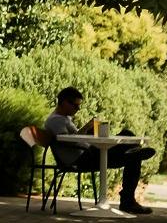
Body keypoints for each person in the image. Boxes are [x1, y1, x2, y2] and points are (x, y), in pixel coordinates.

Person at [44, 86, 156, 215]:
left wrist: (88, 132)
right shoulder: (55, 120)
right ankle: (127, 199)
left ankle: (132, 154)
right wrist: (86, 129)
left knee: (128, 138)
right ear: (64, 102)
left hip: (87, 154)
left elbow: (74, 138)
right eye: (75, 105)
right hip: (82, 159)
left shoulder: (63, 118)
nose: (78, 109)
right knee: (133, 153)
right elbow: (67, 141)